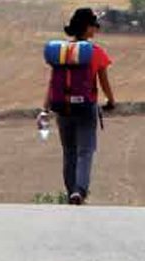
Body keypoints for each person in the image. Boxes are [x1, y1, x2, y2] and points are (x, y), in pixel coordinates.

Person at [42, 8, 115, 205]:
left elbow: (52, 83)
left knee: (69, 151)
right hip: (86, 108)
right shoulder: (96, 52)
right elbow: (104, 82)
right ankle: (79, 191)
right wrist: (111, 100)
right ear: (88, 27)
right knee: (85, 150)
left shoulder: (61, 52)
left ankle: (70, 191)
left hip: (62, 107)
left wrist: (45, 109)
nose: (95, 30)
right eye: (93, 26)